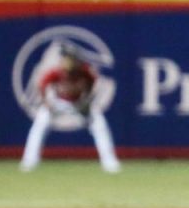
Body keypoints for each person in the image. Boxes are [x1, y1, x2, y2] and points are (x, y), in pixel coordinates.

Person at [20, 44, 121, 173]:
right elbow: (42, 86)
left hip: (78, 104)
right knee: (41, 120)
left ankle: (109, 162)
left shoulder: (85, 72)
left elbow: (93, 87)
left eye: (71, 59)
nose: (69, 62)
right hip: (58, 103)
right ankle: (29, 161)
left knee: (98, 121)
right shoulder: (55, 72)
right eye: (66, 59)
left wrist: (87, 102)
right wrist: (46, 103)